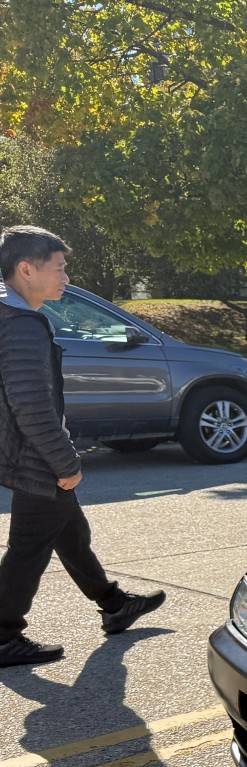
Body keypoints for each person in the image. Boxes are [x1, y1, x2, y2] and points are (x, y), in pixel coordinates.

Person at [0, 224, 165, 669]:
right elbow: (31, 404)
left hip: (22, 450)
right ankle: (3, 635)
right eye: (59, 268)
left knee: (69, 531)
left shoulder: (9, 313)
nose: (66, 277)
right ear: (26, 269)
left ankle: (114, 604)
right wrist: (65, 461)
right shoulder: (21, 325)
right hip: (35, 456)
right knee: (29, 548)